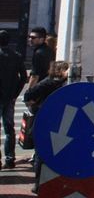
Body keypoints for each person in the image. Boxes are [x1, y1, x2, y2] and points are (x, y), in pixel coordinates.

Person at [24, 60, 70, 191]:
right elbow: (28, 95)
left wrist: (34, 103)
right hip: (57, 123)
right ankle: (44, 184)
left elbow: (28, 95)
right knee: (47, 154)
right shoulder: (57, 83)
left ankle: (39, 185)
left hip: (47, 122)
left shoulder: (50, 82)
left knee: (42, 153)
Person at [0, 30, 28, 169]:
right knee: (9, 128)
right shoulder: (16, 56)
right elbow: (24, 77)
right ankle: (10, 158)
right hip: (10, 97)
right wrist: (15, 94)